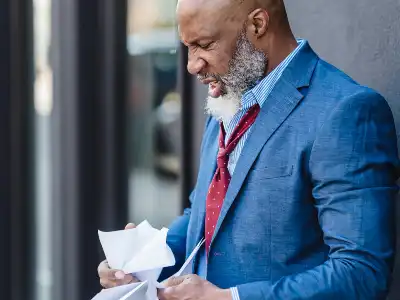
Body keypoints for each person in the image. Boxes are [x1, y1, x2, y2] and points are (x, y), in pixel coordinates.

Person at [98, 0, 400, 298]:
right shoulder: (227, 97)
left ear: (257, 24)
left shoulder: (346, 111)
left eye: (204, 44)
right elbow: (205, 215)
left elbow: (361, 273)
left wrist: (230, 298)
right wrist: (141, 263)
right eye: (187, 46)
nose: (192, 65)